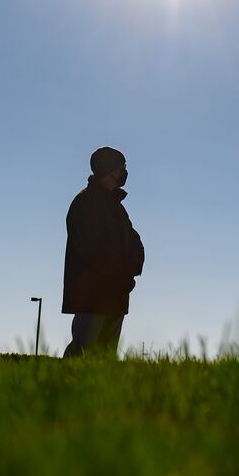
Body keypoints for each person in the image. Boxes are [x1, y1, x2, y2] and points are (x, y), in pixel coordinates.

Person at [62, 146, 144, 357]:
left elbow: (134, 242)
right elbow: (90, 250)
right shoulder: (85, 203)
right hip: (93, 295)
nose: (125, 172)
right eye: (122, 167)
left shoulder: (117, 208)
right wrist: (118, 276)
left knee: (105, 362)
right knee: (82, 353)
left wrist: (131, 272)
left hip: (116, 295)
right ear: (109, 169)